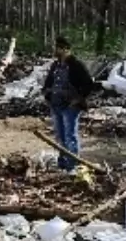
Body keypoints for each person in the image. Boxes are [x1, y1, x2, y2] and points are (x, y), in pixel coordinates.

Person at [40, 36, 95, 171]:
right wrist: (47, 94)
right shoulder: (55, 65)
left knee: (70, 136)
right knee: (60, 136)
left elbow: (89, 84)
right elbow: (49, 82)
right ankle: (63, 164)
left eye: (58, 48)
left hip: (70, 107)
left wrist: (78, 99)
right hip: (56, 105)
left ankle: (73, 166)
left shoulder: (76, 65)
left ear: (65, 49)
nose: (55, 50)